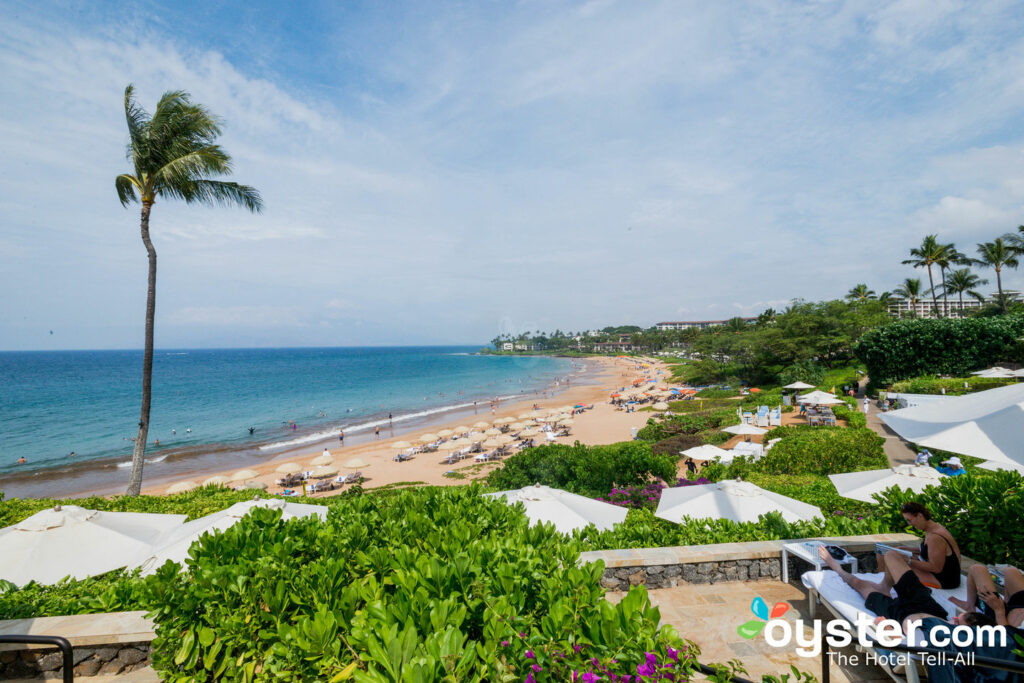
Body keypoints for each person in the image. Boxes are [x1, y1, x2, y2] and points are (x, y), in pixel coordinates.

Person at [817, 545, 947, 627]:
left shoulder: (936, 640)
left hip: (898, 614)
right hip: (925, 603)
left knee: (859, 584)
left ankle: (837, 568)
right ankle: (885, 585)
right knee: (891, 555)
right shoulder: (960, 633)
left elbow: (901, 639)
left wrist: (887, 627)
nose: (956, 617)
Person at [899, 502, 962, 589]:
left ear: (920, 516)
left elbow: (936, 568)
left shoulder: (935, 537)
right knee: (894, 557)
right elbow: (930, 550)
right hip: (946, 575)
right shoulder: (932, 528)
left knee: (896, 564)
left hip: (945, 580)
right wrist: (904, 548)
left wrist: (908, 561)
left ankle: (884, 588)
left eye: (909, 520)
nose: (909, 524)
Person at [950, 564, 1024, 628]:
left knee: (976, 569)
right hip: (1017, 607)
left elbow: (1007, 638)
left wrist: (999, 610)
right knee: (1011, 571)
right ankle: (970, 605)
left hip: (1001, 621)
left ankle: (1005, 604)